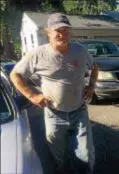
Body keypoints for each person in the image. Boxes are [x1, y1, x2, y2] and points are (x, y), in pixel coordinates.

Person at [10, 13, 98, 174]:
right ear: (48, 32)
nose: (61, 34)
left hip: (79, 111)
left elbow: (95, 67)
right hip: (54, 114)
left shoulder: (80, 50)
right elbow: (15, 75)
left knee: (85, 154)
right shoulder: (37, 54)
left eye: (65, 30)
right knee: (59, 156)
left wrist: (91, 85)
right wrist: (32, 96)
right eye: (57, 30)